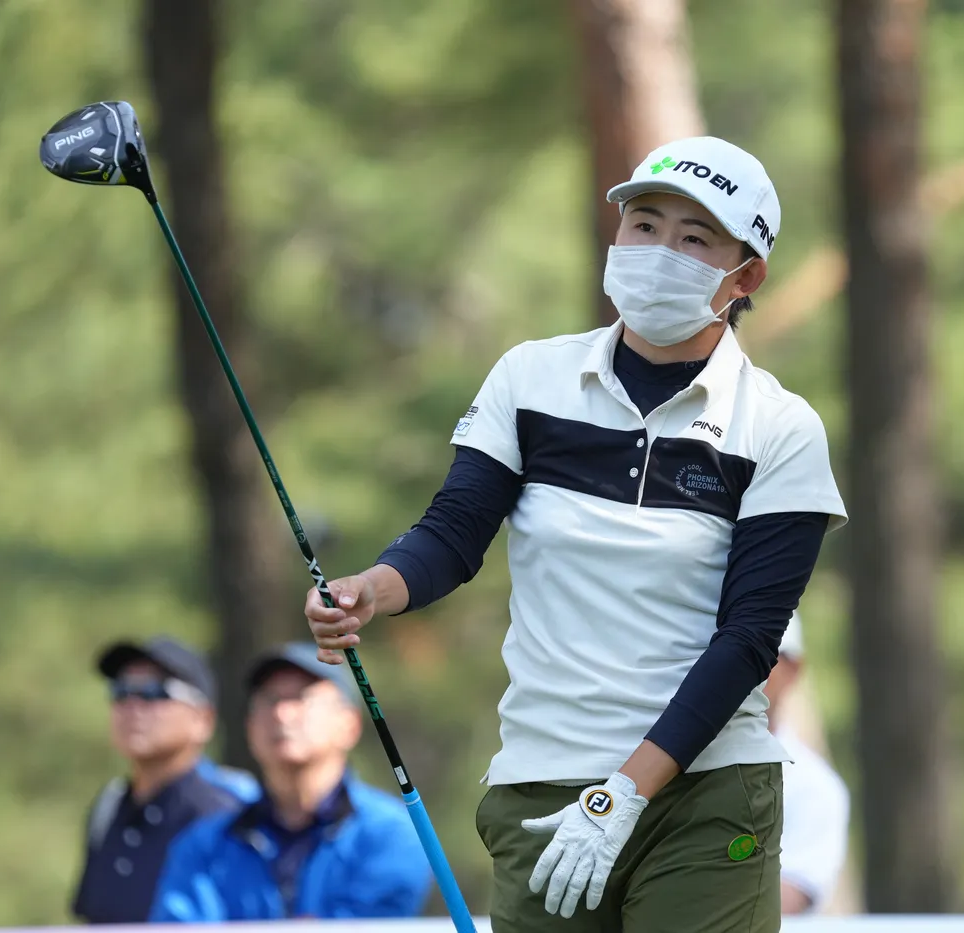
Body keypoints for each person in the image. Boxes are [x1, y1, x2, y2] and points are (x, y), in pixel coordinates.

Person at [305, 135, 848, 932]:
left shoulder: (778, 427)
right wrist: (371, 590)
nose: (659, 251)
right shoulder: (531, 379)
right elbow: (454, 532)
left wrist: (625, 790)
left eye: (695, 238)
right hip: (543, 777)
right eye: (645, 225)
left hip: (704, 793)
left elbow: (749, 640)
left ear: (746, 277)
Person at [150, 643, 433, 920]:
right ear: (250, 727)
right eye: (269, 700)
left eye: (301, 698)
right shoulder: (204, 845)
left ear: (350, 724)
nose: (282, 713)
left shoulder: (393, 834)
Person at [72, 636, 259, 924]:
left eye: (153, 693)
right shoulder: (109, 808)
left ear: (203, 720)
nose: (132, 706)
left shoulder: (229, 814)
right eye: (121, 692)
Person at [762, 616, 851, 915]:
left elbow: (784, 901)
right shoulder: (666, 764)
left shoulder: (814, 788)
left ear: (792, 670)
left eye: (759, 654)